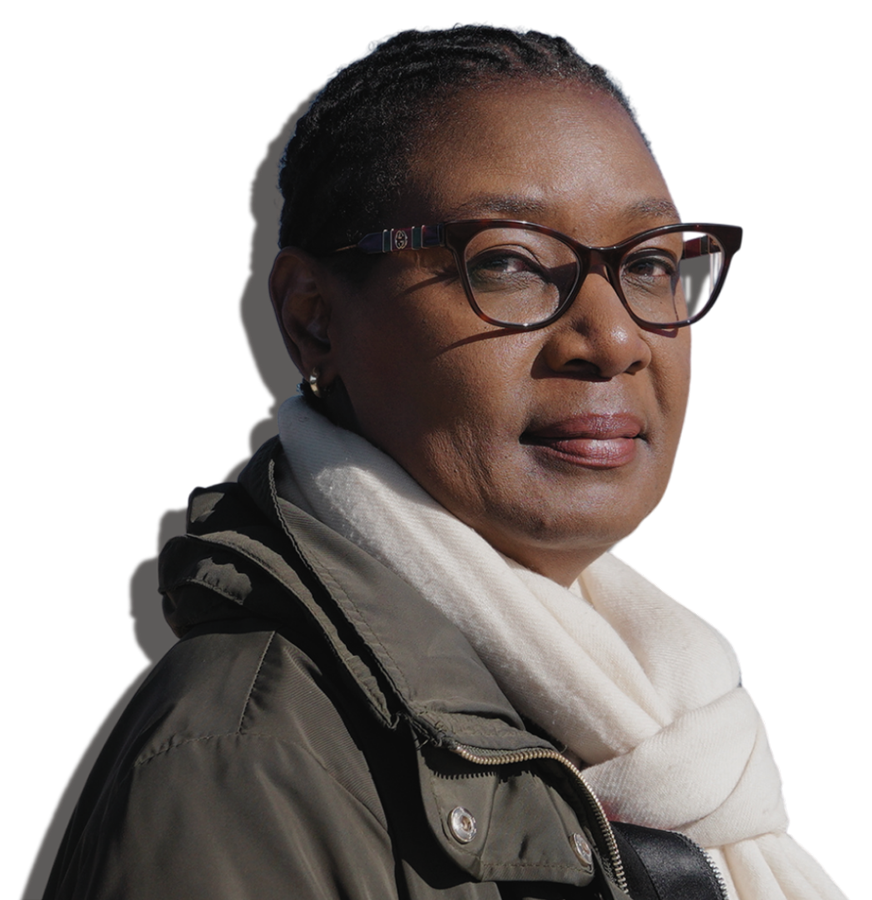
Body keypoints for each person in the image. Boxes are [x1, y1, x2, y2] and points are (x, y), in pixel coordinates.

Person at [41, 24, 848, 900]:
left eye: (651, 263)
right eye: (508, 262)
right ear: (314, 318)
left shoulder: (678, 720)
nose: (614, 338)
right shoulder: (245, 767)